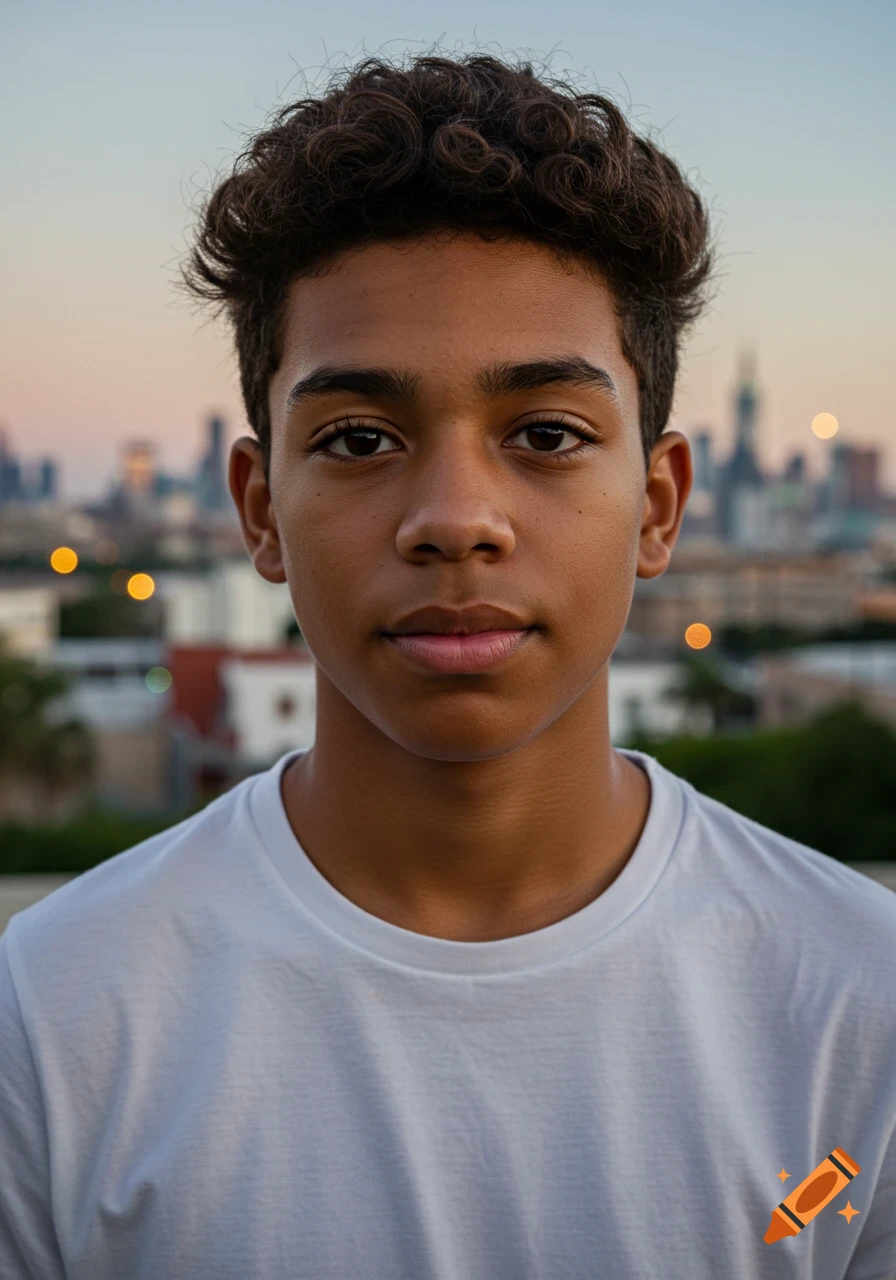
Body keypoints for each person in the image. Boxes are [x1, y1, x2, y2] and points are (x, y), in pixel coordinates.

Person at [1, 50, 894, 1280]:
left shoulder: (861, 1004)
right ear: (258, 511)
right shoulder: (50, 1022)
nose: (455, 516)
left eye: (544, 433)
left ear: (657, 502)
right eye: (359, 437)